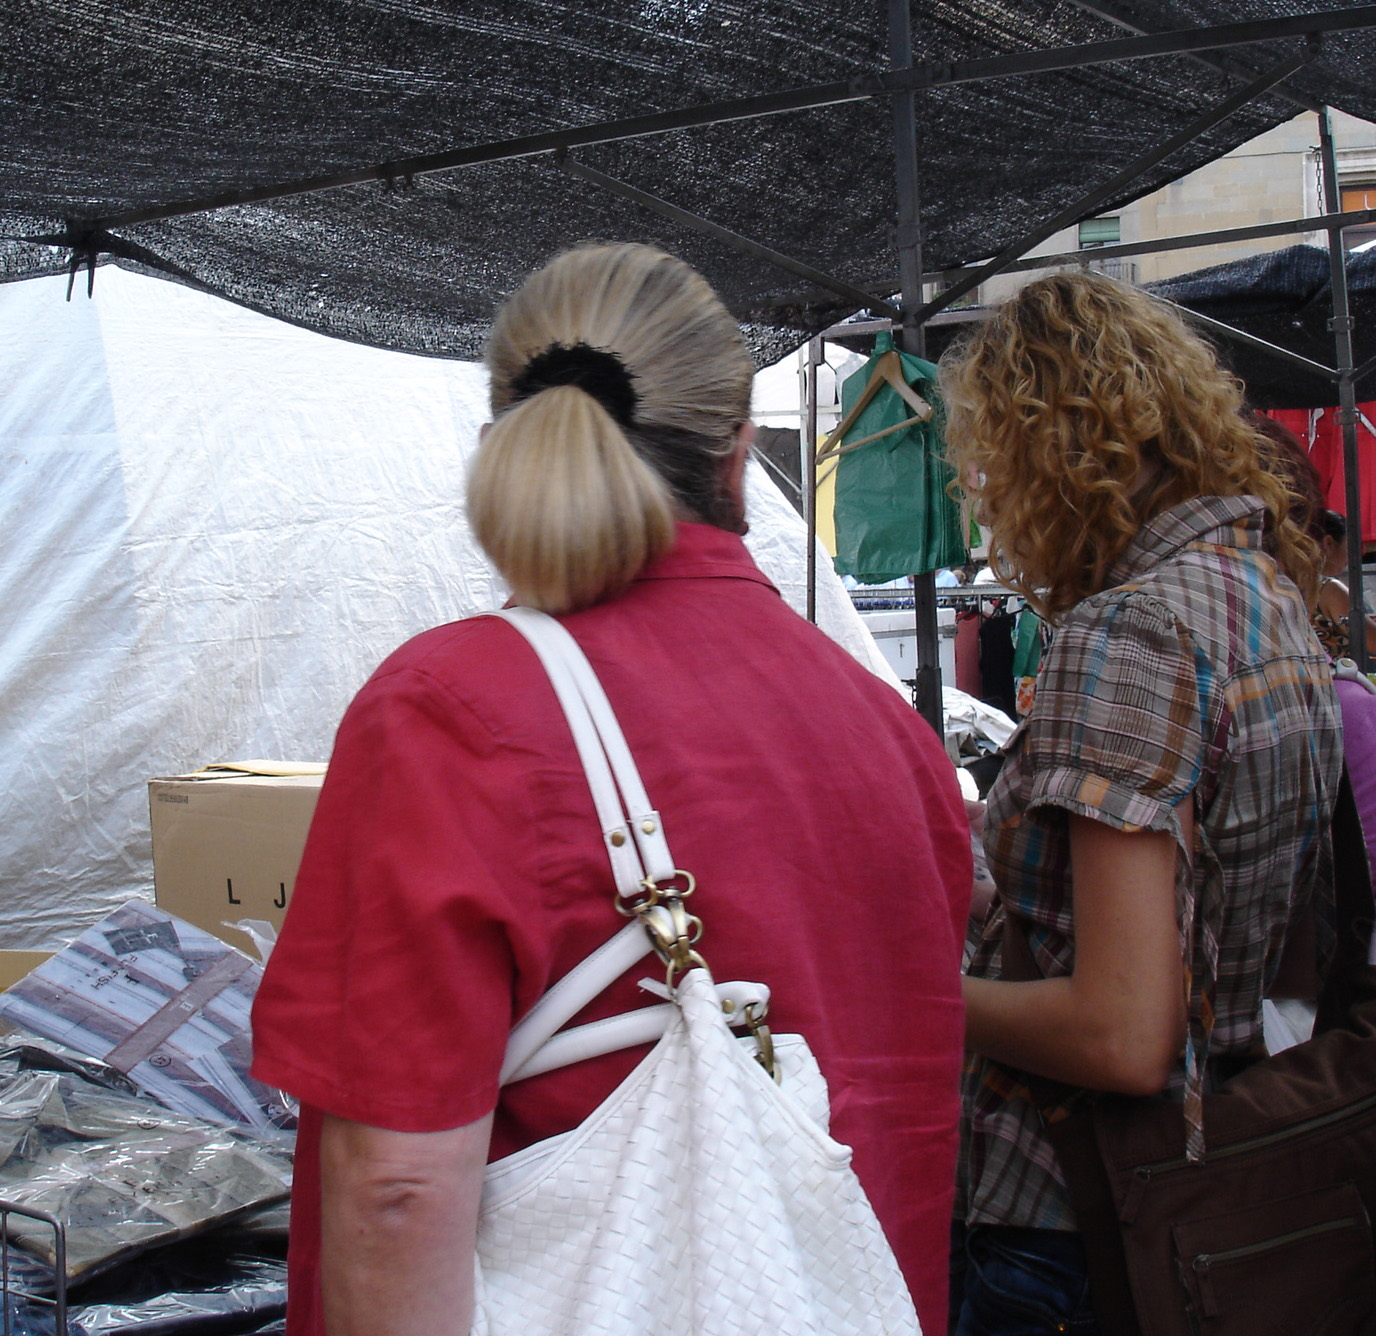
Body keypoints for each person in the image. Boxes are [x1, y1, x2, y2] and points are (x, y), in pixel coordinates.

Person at [250, 243, 972, 1336]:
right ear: (737, 455)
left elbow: (396, 1188)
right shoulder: (887, 731)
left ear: (502, 450)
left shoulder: (451, 710)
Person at [937, 272, 1342, 1333]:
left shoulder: (1131, 630)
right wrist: (1009, 886)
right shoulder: (1259, 593)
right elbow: (1227, 931)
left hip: (1077, 1217)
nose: (985, 495)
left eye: (990, 460)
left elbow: (1120, 1033)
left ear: (1051, 453)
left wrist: (912, 993)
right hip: (1215, 1177)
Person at [1314, 508, 1376, 660]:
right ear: (1329, 543)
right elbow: (1373, 641)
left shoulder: (1283, 582)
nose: (1352, 555)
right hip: (1331, 674)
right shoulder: (1328, 589)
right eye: (1349, 546)